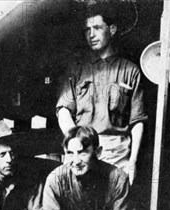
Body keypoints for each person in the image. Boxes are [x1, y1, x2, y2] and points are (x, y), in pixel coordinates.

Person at [56, 5, 148, 184]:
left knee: (113, 207)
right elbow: (63, 110)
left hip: (117, 154)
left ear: (112, 30)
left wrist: (132, 162)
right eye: (87, 30)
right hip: (80, 151)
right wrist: (77, 144)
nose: (91, 35)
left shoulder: (130, 71)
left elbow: (137, 121)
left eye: (97, 28)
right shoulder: (76, 70)